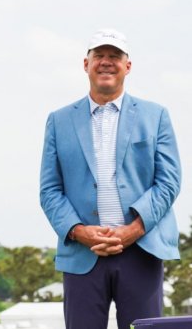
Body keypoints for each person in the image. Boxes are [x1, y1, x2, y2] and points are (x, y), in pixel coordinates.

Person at [39, 29, 182, 329]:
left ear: (127, 66)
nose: (106, 62)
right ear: (85, 64)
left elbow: (169, 181)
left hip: (142, 250)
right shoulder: (59, 120)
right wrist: (80, 232)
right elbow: (50, 190)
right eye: (99, 56)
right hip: (82, 254)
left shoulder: (155, 115)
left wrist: (133, 229)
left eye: (114, 56)